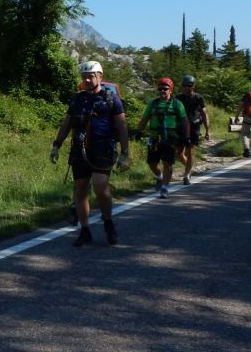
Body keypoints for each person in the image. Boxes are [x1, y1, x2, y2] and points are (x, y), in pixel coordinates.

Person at [50, 61, 130, 247]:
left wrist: (125, 152)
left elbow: (121, 126)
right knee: (80, 189)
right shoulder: (77, 99)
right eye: (84, 76)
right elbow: (67, 123)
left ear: (100, 77)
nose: (87, 80)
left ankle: (108, 222)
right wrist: (56, 145)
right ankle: (85, 230)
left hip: (103, 148)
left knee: (101, 187)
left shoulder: (111, 98)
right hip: (79, 149)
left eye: (91, 76)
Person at [136, 78, 189, 198]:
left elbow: (185, 121)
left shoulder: (177, 104)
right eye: (160, 89)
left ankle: (164, 188)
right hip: (154, 138)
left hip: (171, 138)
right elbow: (145, 118)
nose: (162, 91)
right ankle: (160, 176)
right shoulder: (153, 104)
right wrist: (139, 131)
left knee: (167, 163)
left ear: (170, 90)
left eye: (165, 89)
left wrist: (186, 137)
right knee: (151, 163)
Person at [175, 75, 210, 185]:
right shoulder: (178, 98)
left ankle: (187, 175)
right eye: (185, 85)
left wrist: (207, 130)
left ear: (193, 86)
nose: (187, 87)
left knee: (190, 151)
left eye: (189, 85)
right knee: (178, 153)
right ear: (182, 86)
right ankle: (189, 166)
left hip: (194, 126)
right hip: (181, 127)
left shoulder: (198, 98)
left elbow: (204, 113)